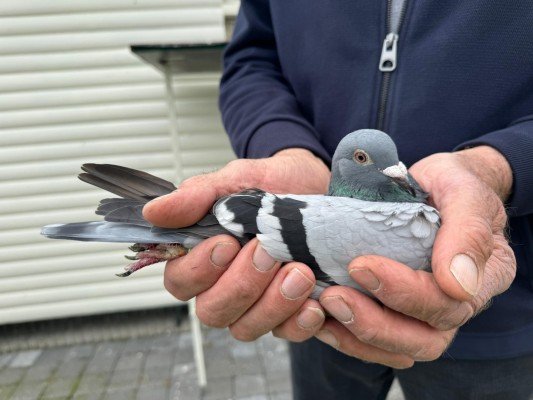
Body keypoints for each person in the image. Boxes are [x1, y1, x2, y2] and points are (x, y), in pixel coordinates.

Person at [143, 2, 533, 399]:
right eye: (364, 160)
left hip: (502, 319)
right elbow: (251, 61)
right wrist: (282, 147)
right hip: (316, 310)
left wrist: (497, 167)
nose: (398, 171)